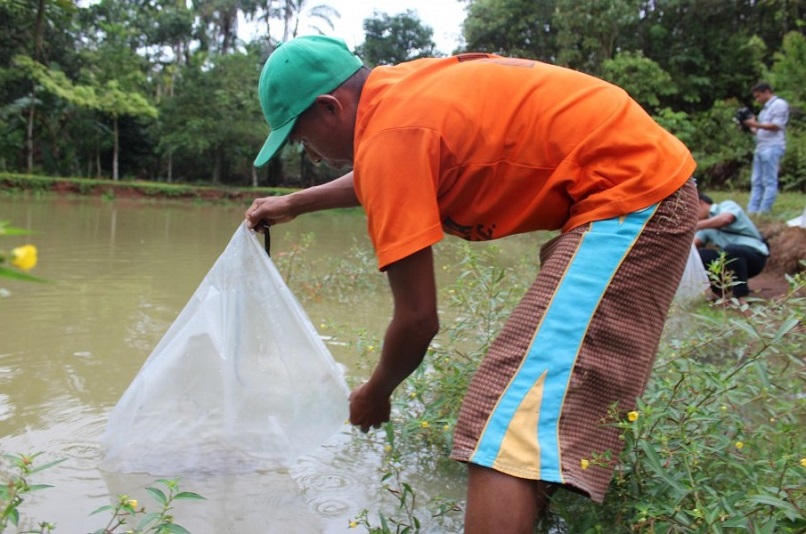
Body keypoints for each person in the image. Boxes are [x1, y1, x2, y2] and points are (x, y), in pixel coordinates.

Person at [245, 35, 698, 532]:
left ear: (330, 107)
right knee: (525, 407)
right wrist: (294, 202)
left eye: (302, 137)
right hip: (633, 186)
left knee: (502, 420)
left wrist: (376, 392)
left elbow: (418, 322)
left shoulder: (390, 135)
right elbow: (386, 166)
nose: (309, 153)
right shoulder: (398, 94)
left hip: (633, 197)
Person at [695, 192, 769, 300]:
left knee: (732, 250)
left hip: (754, 258)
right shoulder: (704, 227)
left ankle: (742, 296)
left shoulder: (726, 206)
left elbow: (726, 219)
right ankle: (720, 291)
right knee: (698, 256)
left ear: (700, 203)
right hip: (731, 260)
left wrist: (695, 226)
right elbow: (693, 246)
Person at [741, 82, 789, 214]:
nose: (757, 99)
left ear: (767, 92)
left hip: (773, 146)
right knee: (756, 181)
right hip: (761, 146)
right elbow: (760, 130)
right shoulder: (765, 109)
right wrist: (750, 126)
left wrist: (755, 123)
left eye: (759, 96)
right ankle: (752, 210)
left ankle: (764, 211)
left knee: (769, 181)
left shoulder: (779, 105)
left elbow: (777, 126)